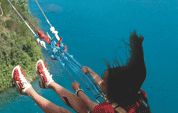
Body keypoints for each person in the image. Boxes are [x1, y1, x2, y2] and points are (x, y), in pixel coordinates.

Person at [12, 31, 150, 113]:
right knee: (84, 108)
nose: (100, 85)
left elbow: (90, 104)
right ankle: (49, 83)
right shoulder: (137, 94)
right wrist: (90, 71)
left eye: (104, 84)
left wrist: (78, 90)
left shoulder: (107, 110)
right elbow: (105, 84)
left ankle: (27, 89)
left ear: (114, 91)